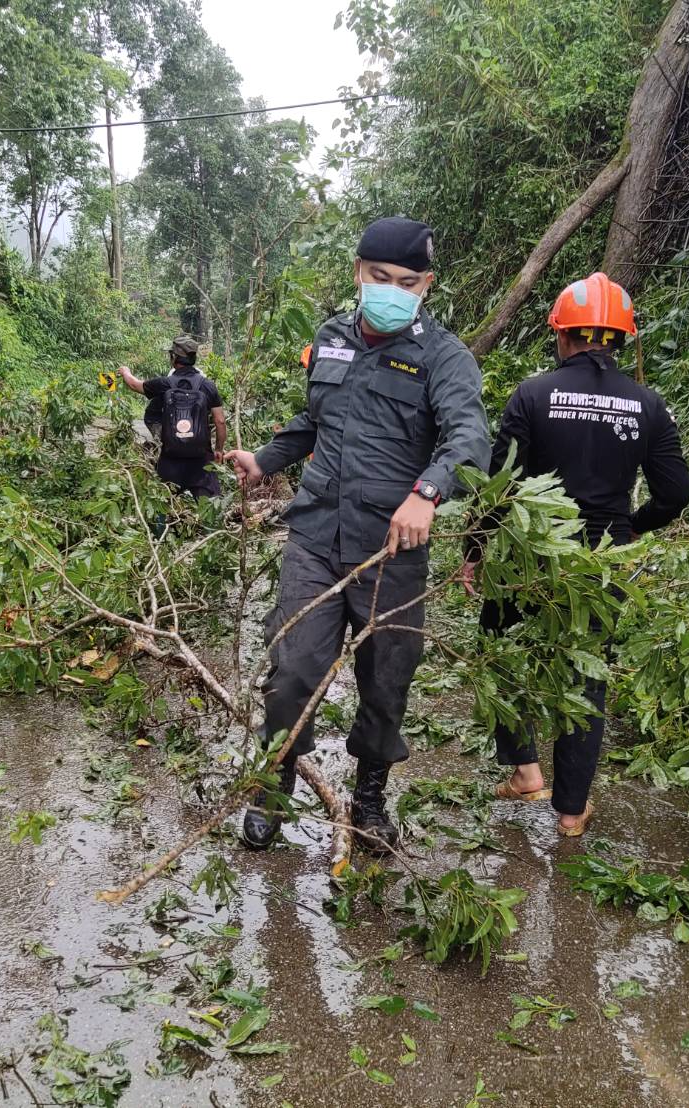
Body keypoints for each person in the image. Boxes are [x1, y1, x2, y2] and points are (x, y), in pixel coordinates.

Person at [225, 217, 490, 852]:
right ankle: (274, 785)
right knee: (292, 670)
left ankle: (369, 797)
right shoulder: (331, 338)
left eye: (407, 282)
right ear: (358, 273)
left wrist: (427, 493)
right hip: (315, 537)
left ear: (426, 285)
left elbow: (469, 440)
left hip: (391, 552)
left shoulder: (445, 358)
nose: (391, 290)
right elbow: (313, 421)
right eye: (379, 277)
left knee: (386, 680)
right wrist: (264, 459)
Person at [461, 272, 689, 836]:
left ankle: (525, 773)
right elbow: (675, 494)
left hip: (525, 554)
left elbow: (499, 485)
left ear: (562, 334)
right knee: (584, 677)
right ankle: (570, 813)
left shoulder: (532, 394)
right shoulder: (648, 405)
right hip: (598, 564)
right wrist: (630, 527)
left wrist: (474, 550)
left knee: (504, 655)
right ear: (621, 339)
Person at [119, 335, 227, 499]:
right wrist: (218, 449)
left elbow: (134, 384)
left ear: (174, 358)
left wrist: (125, 372)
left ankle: (163, 514)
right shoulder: (208, 385)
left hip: (171, 459)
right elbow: (220, 421)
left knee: (163, 502)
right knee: (210, 507)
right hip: (201, 461)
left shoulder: (164, 384)